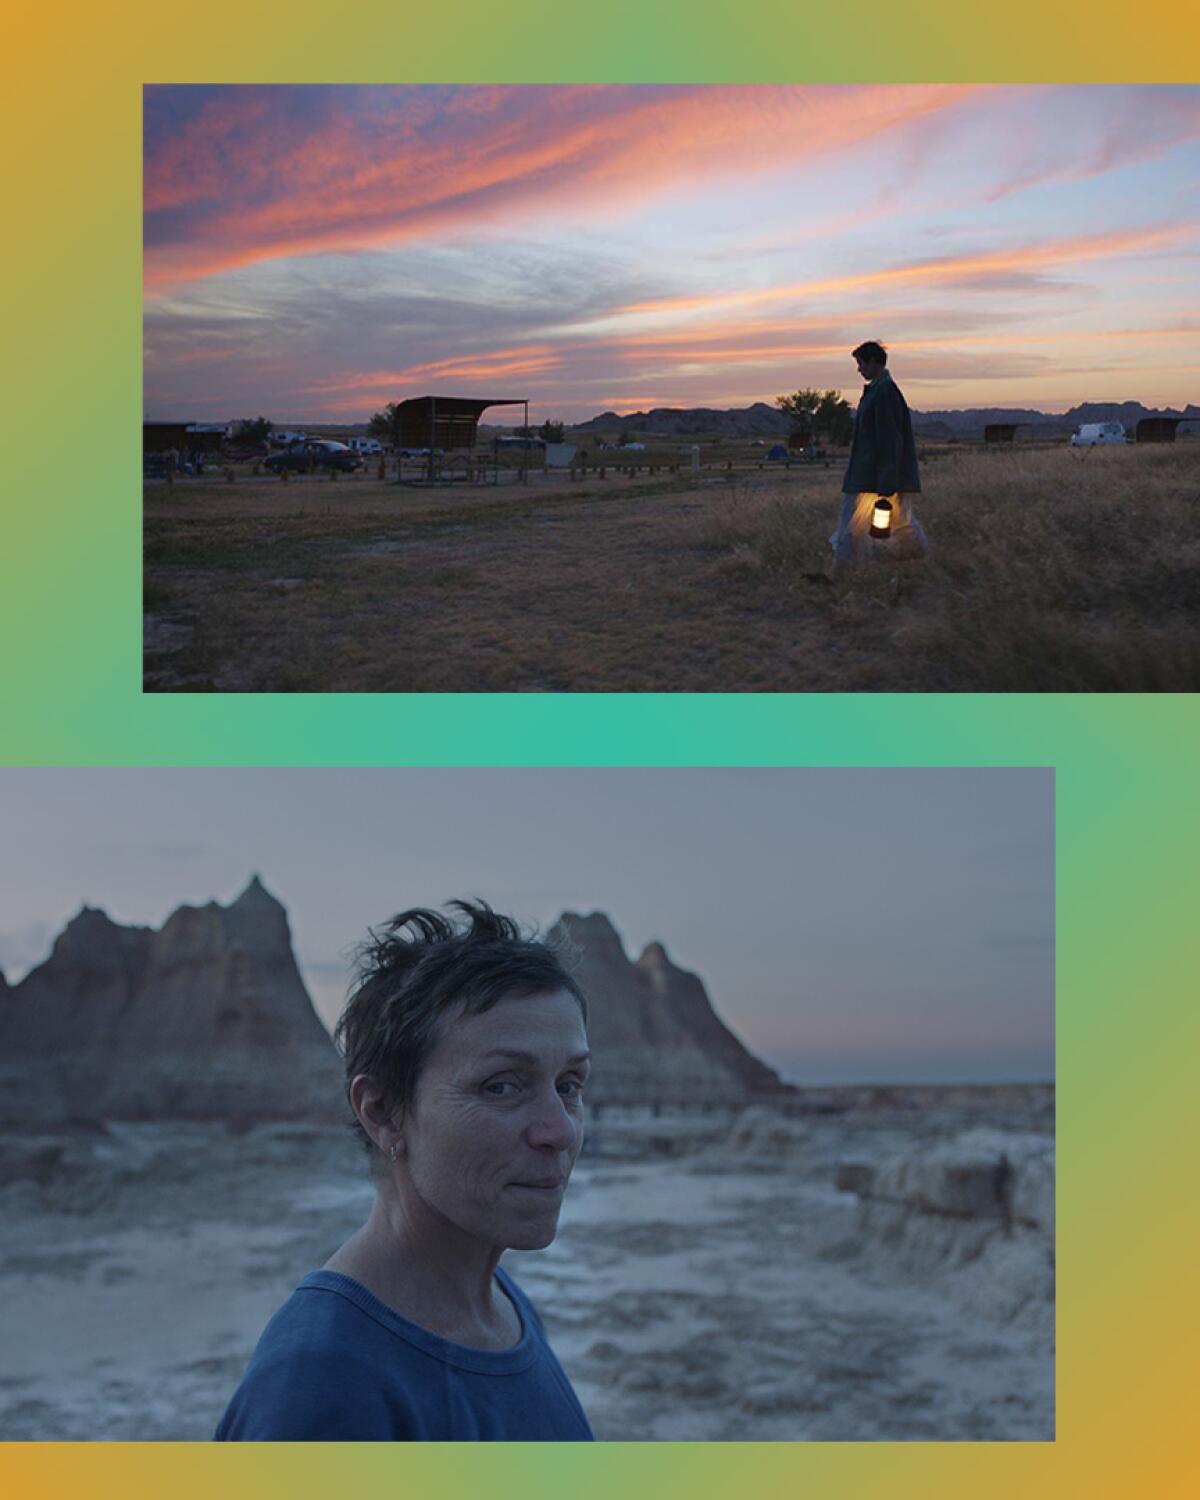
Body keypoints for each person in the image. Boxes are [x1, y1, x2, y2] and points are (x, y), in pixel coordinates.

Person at [215, 901, 595, 1441]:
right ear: (383, 1112)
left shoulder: (500, 1306)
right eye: (501, 1086)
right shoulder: (322, 1388)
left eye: (569, 1086)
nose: (558, 1131)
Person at [825, 341, 928, 576]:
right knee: (867, 522)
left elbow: (890, 440)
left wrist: (887, 482)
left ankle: (839, 572)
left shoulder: (885, 392)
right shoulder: (878, 391)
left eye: (861, 363)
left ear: (873, 362)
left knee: (880, 521)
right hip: (869, 472)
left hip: (873, 475)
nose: (859, 369)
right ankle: (845, 570)